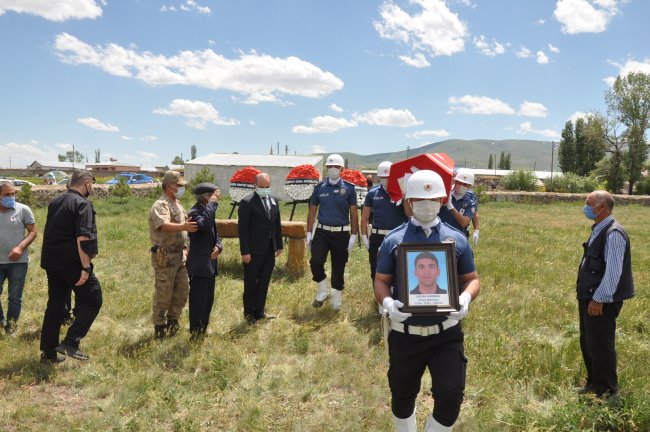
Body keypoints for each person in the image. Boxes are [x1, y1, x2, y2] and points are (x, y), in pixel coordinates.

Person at [374, 170, 480, 431]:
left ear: (443, 200)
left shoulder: (457, 239)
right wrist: (388, 304)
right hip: (405, 333)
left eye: (432, 199)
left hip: (446, 333)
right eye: (419, 199)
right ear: (408, 202)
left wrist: (466, 297)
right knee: (402, 395)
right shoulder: (394, 240)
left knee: (451, 396)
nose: (426, 205)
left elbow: (472, 279)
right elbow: (381, 281)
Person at [39, 170, 102, 363]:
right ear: (87, 183)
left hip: (52, 262)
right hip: (71, 263)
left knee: (56, 305)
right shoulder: (83, 204)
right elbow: (83, 238)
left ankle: (48, 353)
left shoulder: (56, 202)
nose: (92, 186)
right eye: (92, 183)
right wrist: (85, 267)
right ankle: (71, 342)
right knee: (93, 298)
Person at [576, 190, 634, 398]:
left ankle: (607, 391)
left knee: (601, 344)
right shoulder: (599, 229)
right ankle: (594, 385)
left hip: (601, 300)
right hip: (590, 297)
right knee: (588, 341)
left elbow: (613, 271)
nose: (585, 206)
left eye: (588, 202)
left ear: (601, 208)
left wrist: (599, 298)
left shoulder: (614, 233)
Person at [149, 170, 197, 339]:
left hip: (180, 255)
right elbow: (162, 225)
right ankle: (159, 325)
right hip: (165, 256)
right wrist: (183, 228)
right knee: (164, 292)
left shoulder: (178, 204)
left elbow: (186, 228)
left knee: (182, 290)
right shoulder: (161, 205)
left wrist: (186, 248)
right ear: (170, 186)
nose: (181, 188)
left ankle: (173, 320)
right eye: (179, 185)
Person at [306, 154, 359, 310]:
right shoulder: (319, 188)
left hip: (341, 234)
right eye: (329, 167)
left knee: (338, 266)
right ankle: (322, 290)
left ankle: (336, 297)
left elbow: (354, 213)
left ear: (341, 169)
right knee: (315, 262)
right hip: (322, 232)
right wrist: (308, 233)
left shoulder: (349, 189)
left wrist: (354, 236)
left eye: (335, 166)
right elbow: (312, 211)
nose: (332, 169)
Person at [238, 173, 283, 324]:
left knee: (264, 282)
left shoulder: (274, 201)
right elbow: (243, 229)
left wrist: (279, 245)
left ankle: (260, 311)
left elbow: (276, 225)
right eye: (262, 187)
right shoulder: (247, 202)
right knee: (251, 283)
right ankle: (249, 313)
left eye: (267, 187)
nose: (265, 189)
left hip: (269, 250)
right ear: (255, 186)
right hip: (253, 251)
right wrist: (245, 251)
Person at [186, 182, 223, 338]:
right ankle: (195, 332)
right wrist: (212, 204)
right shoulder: (195, 212)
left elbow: (216, 233)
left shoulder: (206, 211)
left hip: (210, 265)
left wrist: (218, 246)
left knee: (208, 301)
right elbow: (205, 225)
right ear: (205, 197)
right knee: (198, 302)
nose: (215, 200)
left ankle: (203, 329)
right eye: (213, 197)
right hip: (200, 266)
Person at [0, 180, 37, 335]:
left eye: (13, 193)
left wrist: (20, 247)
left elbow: (33, 232)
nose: (11, 197)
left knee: (15, 297)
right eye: (7, 195)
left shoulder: (23, 210)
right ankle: (1, 321)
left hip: (18, 262)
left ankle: (11, 327)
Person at [361, 161, 408, 282]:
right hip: (377, 236)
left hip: (398, 236)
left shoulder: (402, 193)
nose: (385, 180)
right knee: (376, 268)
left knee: (399, 268)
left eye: (388, 177)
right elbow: (365, 216)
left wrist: (404, 199)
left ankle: (396, 295)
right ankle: (379, 298)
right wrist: (365, 236)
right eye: (383, 177)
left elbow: (410, 214)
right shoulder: (372, 193)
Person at [438, 168, 478, 239]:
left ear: (469, 186)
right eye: (459, 182)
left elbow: (464, 222)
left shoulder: (470, 201)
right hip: (440, 235)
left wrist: (451, 207)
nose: (461, 186)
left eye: (465, 184)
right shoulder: (444, 193)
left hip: (458, 238)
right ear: (455, 181)